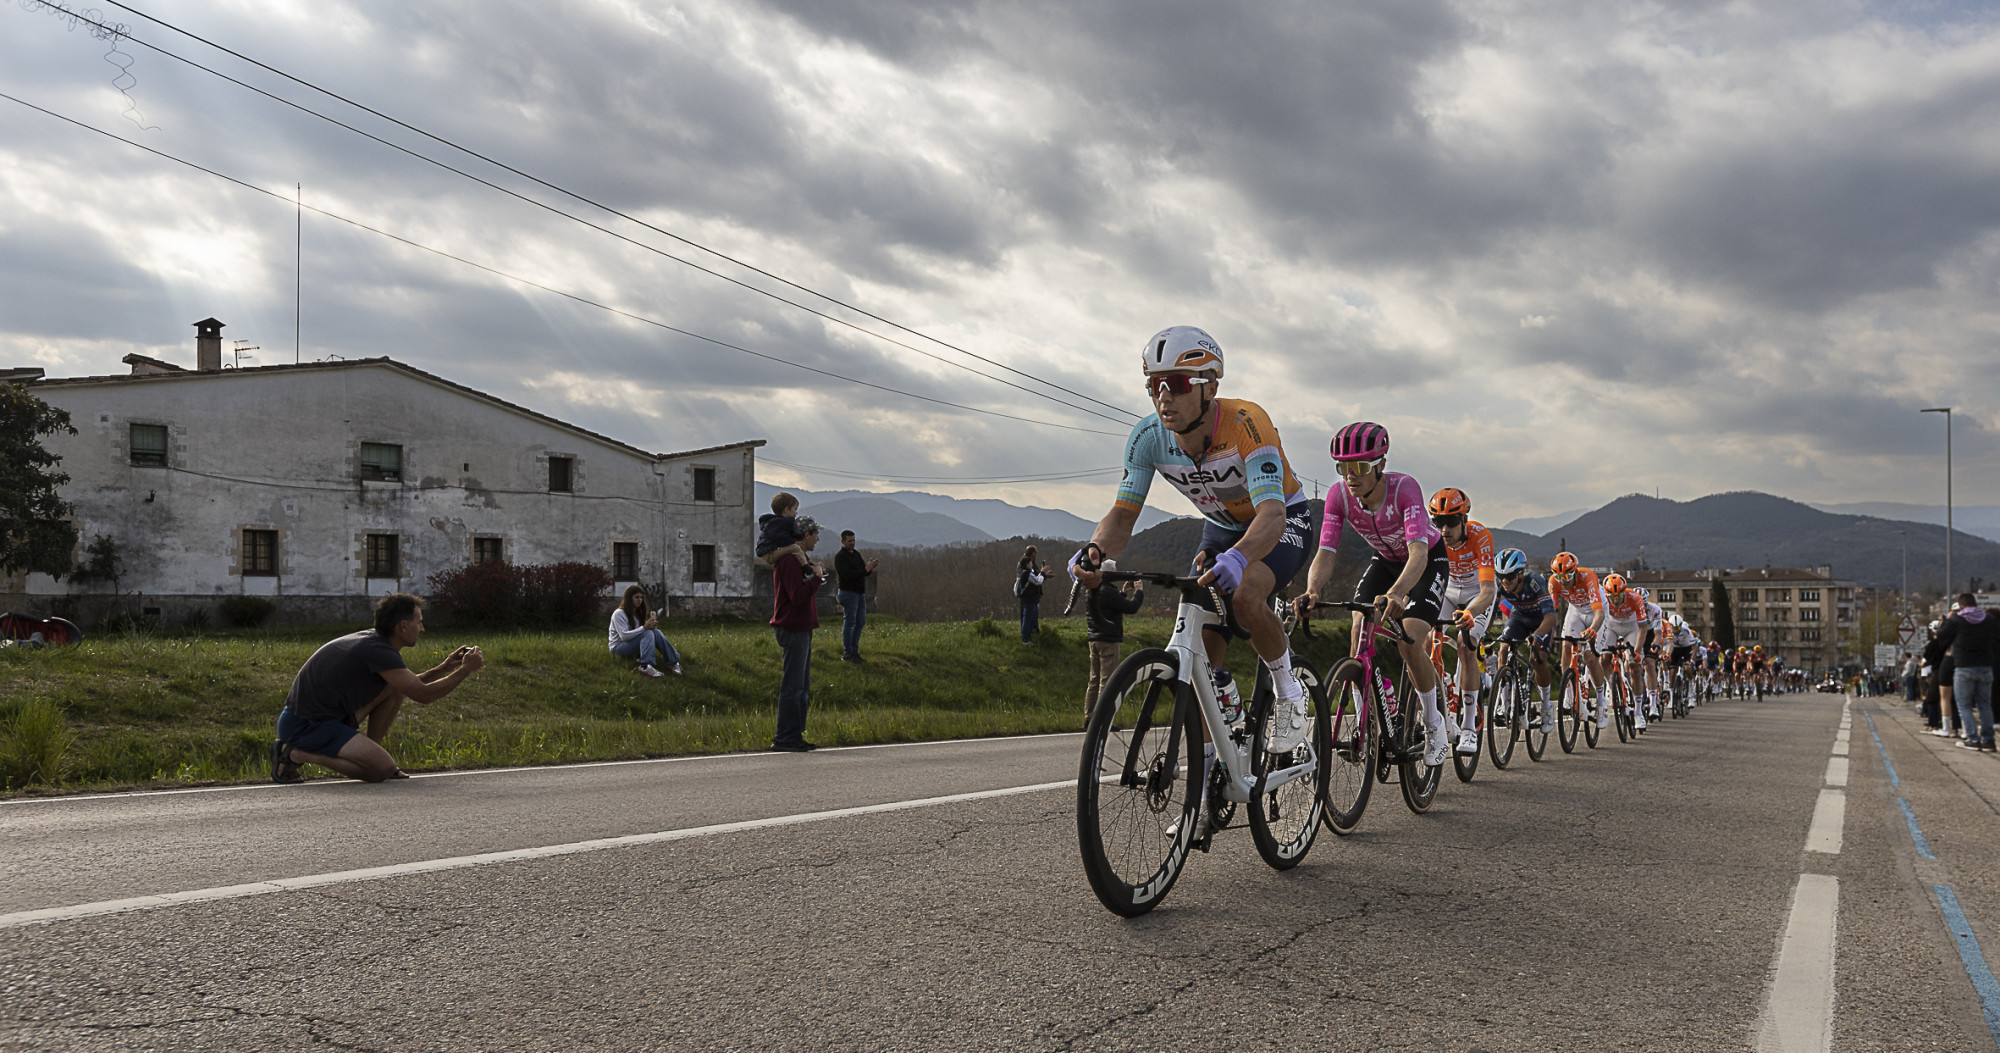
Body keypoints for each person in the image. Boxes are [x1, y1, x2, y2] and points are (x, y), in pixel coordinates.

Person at [1072, 325, 1316, 790]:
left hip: (1280, 519)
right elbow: (1122, 517)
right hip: (1221, 528)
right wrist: (1096, 549)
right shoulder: (1148, 437)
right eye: (1154, 384)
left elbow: (1271, 515)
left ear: (1210, 386)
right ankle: (1206, 783)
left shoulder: (1247, 423)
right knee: (1200, 653)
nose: (1163, 396)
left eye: (1178, 383)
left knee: (1245, 595)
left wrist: (1239, 558)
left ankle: (1289, 691)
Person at [1304, 421, 1453, 767]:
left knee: (1409, 640)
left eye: (1359, 467)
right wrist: (1312, 590)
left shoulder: (1404, 489)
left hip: (1426, 561)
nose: (1350, 476)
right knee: (1358, 627)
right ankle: (1367, 722)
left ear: (1380, 464)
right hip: (1385, 561)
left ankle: (1434, 725)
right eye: (1343, 468)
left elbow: (1418, 553)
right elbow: (1326, 552)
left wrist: (1398, 593)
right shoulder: (1339, 496)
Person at [270, 593, 484, 784]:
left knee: (396, 689)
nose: (422, 629)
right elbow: (424, 695)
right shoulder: (378, 651)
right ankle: (295, 754)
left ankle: (372, 754)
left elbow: (409, 685)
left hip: (324, 718)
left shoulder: (375, 642)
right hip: (306, 726)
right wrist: (466, 670)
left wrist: (445, 667)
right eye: (419, 622)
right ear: (402, 626)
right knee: (382, 770)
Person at [1429, 487, 1497, 754]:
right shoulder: (1432, 536)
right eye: (1438, 522)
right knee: (1426, 637)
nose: (1444, 529)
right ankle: (1444, 687)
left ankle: (1469, 728)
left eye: (1451, 522)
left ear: (1464, 520)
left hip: (1476, 593)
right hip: (1447, 589)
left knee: (1465, 645)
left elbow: (1488, 591)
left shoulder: (1481, 536)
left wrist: (1471, 613)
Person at [770, 514, 829, 752]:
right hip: (793, 627)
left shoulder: (800, 559)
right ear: (806, 535)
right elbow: (797, 596)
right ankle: (785, 737)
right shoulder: (790, 561)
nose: (818, 538)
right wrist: (816, 579)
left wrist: (814, 574)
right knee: (793, 686)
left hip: (801, 627)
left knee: (801, 686)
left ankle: (795, 735)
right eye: (816, 534)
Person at [1492, 547, 1559, 729]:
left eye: (1509, 577)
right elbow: (1491, 611)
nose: (1505, 581)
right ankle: (1504, 703)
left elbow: (1551, 617)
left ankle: (1546, 706)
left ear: (1521, 574)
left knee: (1538, 660)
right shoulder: (1499, 585)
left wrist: (1538, 634)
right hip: (1520, 617)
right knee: (1503, 649)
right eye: (1501, 576)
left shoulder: (1535, 582)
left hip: (1541, 620)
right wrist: (1483, 633)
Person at [1547, 552, 1610, 726]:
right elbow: (1552, 613)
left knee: (1590, 657)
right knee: (1566, 646)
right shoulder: (1553, 582)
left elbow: (1600, 613)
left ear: (1575, 572)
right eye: (1559, 577)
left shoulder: (1587, 577)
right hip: (1576, 611)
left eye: (1567, 577)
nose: (1563, 581)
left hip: (1597, 612)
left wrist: (1593, 630)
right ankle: (1568, 695)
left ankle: (1601, 701)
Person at [1932, 593, 1998, 752]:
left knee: (1964, 705)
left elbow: (1939, 635)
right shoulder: (1989, 620)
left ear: (1960, 606)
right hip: (1985, 667)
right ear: (1975, 604)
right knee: (1985, 705)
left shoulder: (1957, 620)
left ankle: (1973, 739)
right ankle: (1989, 741)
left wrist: (1947, 620)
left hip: (1964, 667)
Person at [1083, 559, 1144, 716]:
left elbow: (1110, 607)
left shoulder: (1094, 589)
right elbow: (1131, 608)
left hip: (1094, 638)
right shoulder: (1109, 591)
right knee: (1107, 682)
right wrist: (1139, 592)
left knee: (1094, 680)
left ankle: (1089, 717)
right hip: (1108, 640)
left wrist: (1123, 593)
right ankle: (1102, 719)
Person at [608, 584, 681, 677]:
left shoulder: (637, 613)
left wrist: (650, 627)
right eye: (636, 597)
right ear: (629, 598)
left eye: (641, 597)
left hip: (632, 645)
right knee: (647, 633)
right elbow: (624, 636)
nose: (640, 600)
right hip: (618, 649)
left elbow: (640, 633)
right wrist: (644, 628)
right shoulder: (619, 613)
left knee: (656, 632)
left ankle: (673, 662)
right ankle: (645, 666)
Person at [833, 529, 879, 662]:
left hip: (859, 593)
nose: (852, 543)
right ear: (842, 541)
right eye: (849, 541)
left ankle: (854, 652)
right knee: (850, 623)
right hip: (848, 593)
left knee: (860, 622)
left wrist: (869, 568)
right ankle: (848, 653)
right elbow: (847, 575)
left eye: (853, 540)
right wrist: (865, 570)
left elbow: (863, 572)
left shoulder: (856, 555)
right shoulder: (840, 557)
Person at [757, 492, 806, 567]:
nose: (796, 512)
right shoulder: (778, 523)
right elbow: (781, 537)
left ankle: (808, 562)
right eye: (795, 509)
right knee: (795, 548)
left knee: (798, 547)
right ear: (786, 509)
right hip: (769, 554)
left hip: (771, 552)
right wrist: (794, 541)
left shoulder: (781, 522)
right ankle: (806, 568)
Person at [1016, 546, 1048, 644]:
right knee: (1028, 619)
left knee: (1029, 618)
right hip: (1029, 599)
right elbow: (1037, 581)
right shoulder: (1027, 573)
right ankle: (1026, 639)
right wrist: (1043, 573)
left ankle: (1031, 636)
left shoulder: (1022, 571)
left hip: (1027, 599)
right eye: (1030, 563)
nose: (1032, 564)